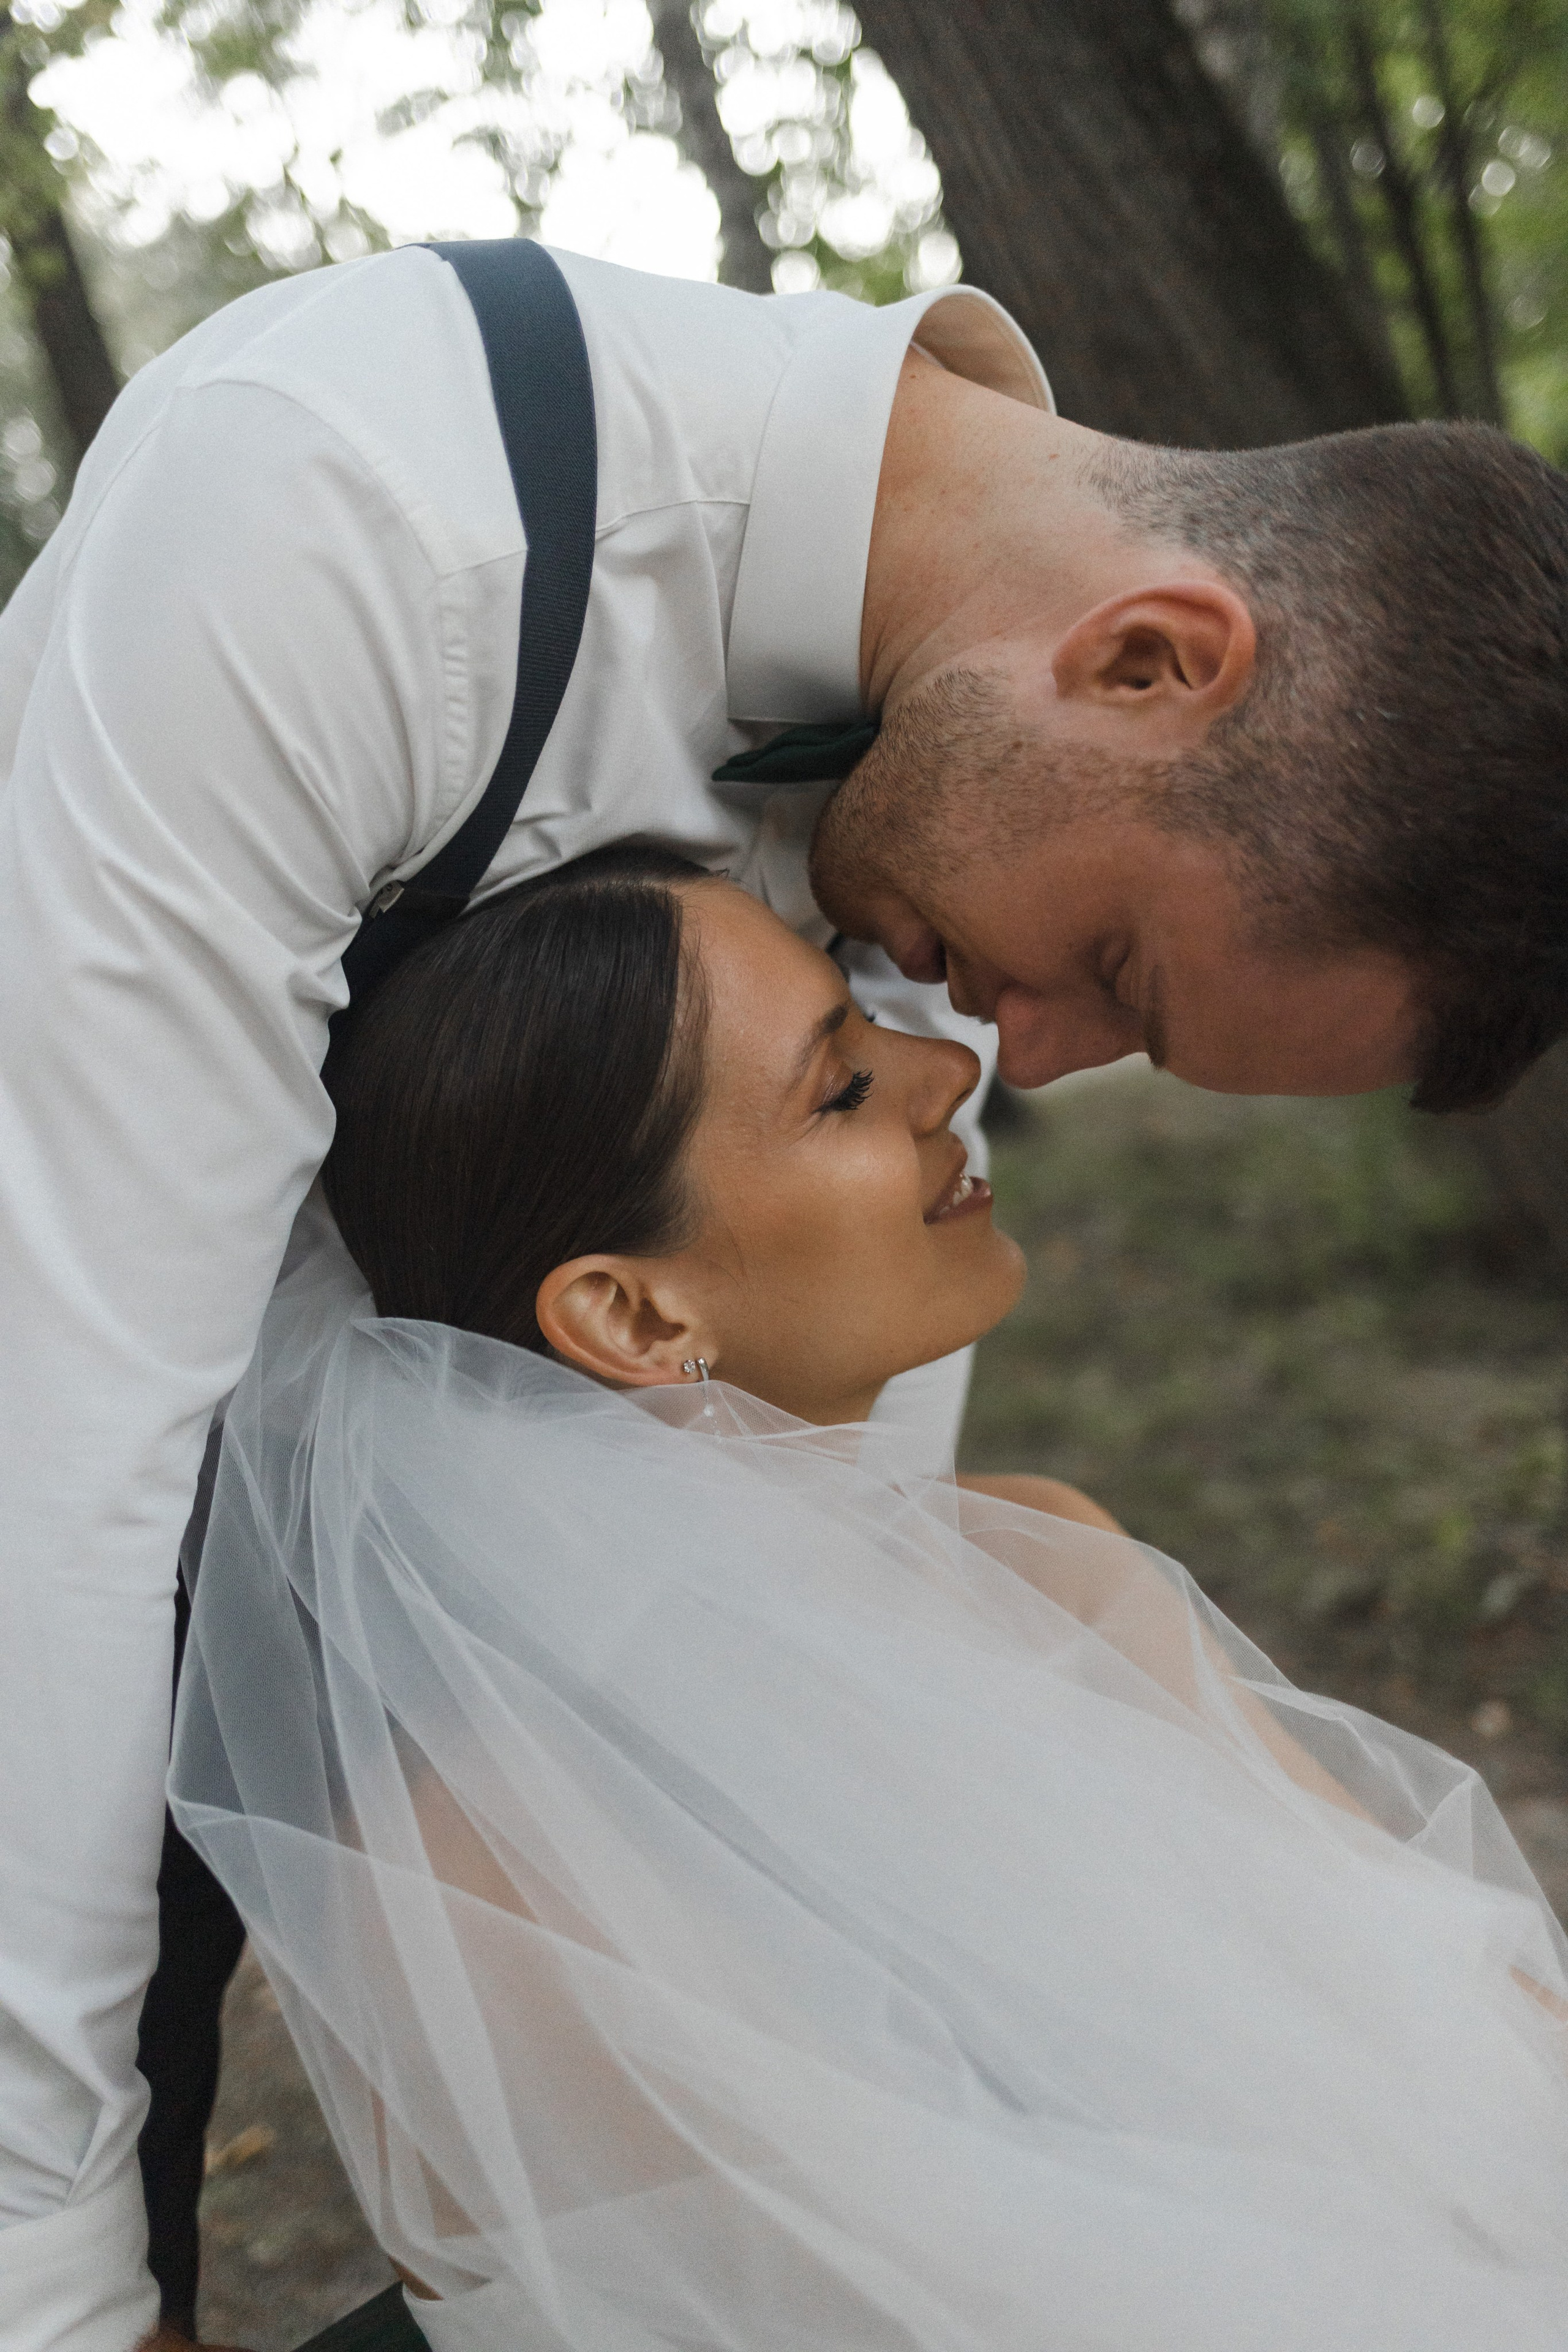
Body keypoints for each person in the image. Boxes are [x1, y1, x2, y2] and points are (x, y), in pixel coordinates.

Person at [2, 235, 1567, 2346]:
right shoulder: (338, 519)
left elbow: (805, 1591)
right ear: (1143, 662)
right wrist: (56, 2286)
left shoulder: (942, 772)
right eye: (1113, 969)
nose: (1010, 1057)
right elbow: (70, 1458)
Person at [170, 850, 1568, 2348]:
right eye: (838, 1087)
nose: (947, 1068)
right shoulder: (479, 1866)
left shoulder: (1051, 1562)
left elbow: (1474, 2012)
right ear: (633, 1313)